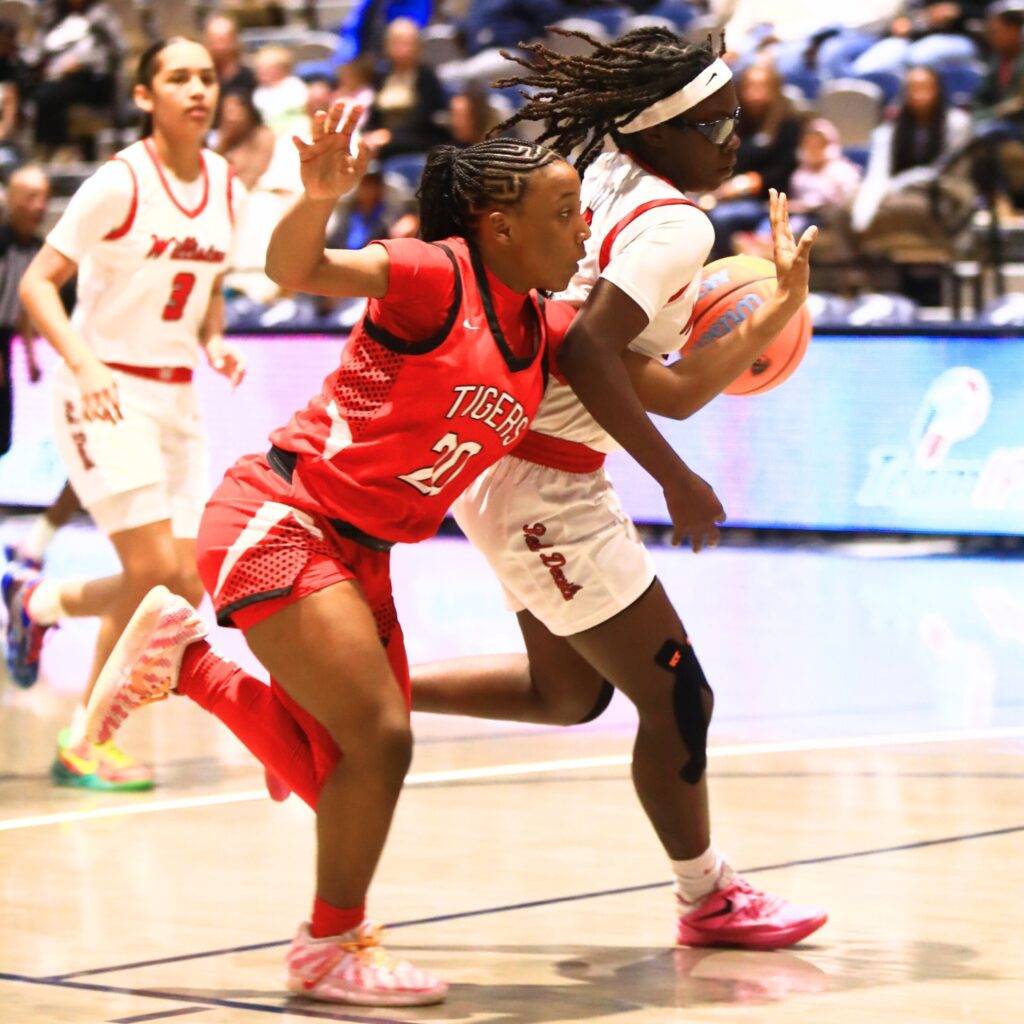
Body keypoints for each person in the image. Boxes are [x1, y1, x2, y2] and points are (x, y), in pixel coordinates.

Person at [83, 98, 658, 1003]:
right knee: (380, 744)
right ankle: (328, 946)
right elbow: (298, 267)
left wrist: (767, 315)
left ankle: (189, 664)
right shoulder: (436, 273)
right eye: (561, 212)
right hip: (284, 514)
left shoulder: (545, 328)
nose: (580, 226)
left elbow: (664, 388)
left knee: (338, 778)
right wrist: (317, 198)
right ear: (499, 226)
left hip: (363, 552)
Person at [407, 26, 827, 951]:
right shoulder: (679, 222)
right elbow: (589, 347)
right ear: (662, 129)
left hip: (508, 458)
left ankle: (364, 692)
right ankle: (707, 897)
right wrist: (675, 481)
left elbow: (664, 386)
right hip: (541, 485)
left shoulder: (593, 174)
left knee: (568, 695)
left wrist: (781, 310)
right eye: (714, 126)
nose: (732, 143)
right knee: (682, 697)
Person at [7, 38, 246, 787]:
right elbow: (38, 287)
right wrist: (82, 362)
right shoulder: (119, 182)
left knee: (184, 585)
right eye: (178, 78)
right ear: (145, 97)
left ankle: (38, 602)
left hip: (177, 395)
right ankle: (84, 738)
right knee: (150, 574)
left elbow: (205, 288)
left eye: (205, 77)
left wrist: (215, 341)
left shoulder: (225, 184)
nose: (196, 89)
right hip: (104, 386)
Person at [705, 62, 803, 259]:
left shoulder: (788, 124)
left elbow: (785, 170)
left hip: (771, 200)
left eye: (761, 86)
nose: (754, 93)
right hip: (730, 197)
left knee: (722, 218)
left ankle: (731, 273)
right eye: (749, 86)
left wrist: (748, 184)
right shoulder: (734, 123)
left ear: (774, 89)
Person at [31, 0, 126, 160]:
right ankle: (47, 149)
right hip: (57, 78)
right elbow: (39, 48)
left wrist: (83, 63)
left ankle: (58, 148)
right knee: (40, 91)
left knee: (48, 96)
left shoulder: (100, 15)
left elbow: (118, 50)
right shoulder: (53, 17)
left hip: (93, 79)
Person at [0, 165, 48, 460]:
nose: (40, 206)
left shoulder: (37, 250)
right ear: (12, 200)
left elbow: (24, 305)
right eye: (31, 197)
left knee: (3, 436)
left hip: (6, 340)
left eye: (44, 197)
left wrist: (29, 354)